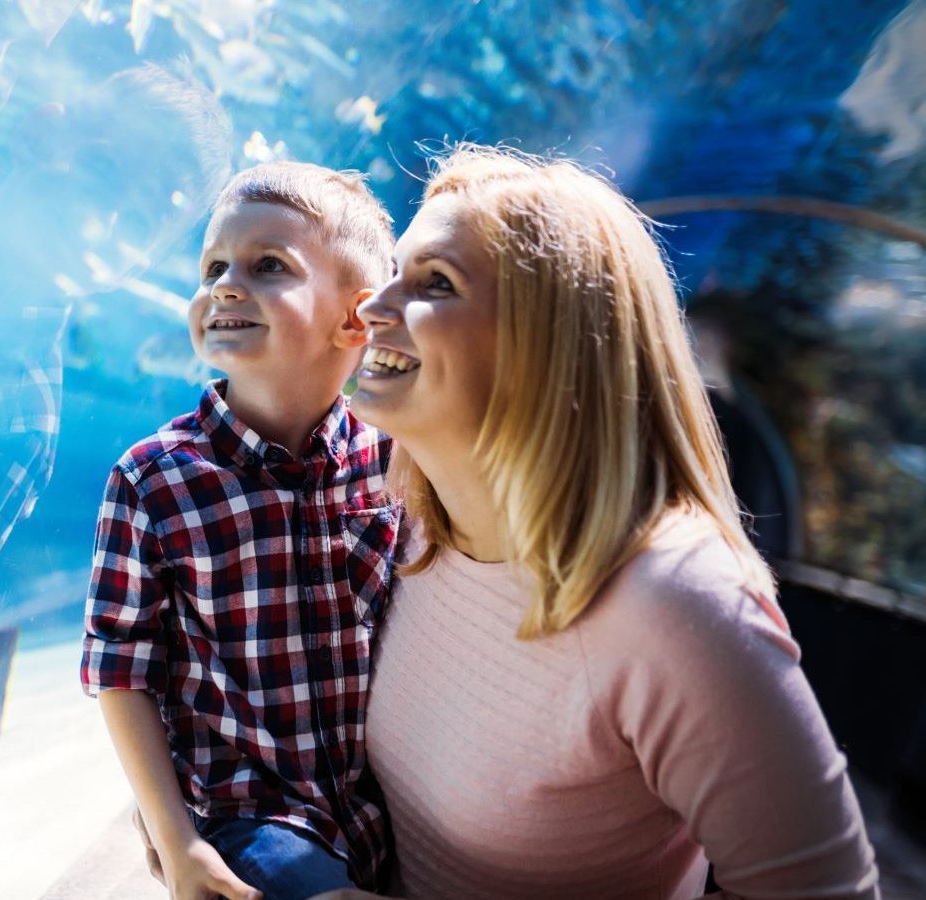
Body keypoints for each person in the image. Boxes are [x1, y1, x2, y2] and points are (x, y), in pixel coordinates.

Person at [324, 144, 877, 898]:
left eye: (434, 283)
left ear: (547, 347)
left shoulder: (676, 607)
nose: (372, 307)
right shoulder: (404, 523)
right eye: (394, 270)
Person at [80, 161, 399, 899]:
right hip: (246, 820)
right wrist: (175, 839)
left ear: (355, 320)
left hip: (386, 807)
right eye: (214, 266)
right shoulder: (152, 478)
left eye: (266, 266)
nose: (224, 285)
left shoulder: (394, 460)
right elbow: (119, 671)